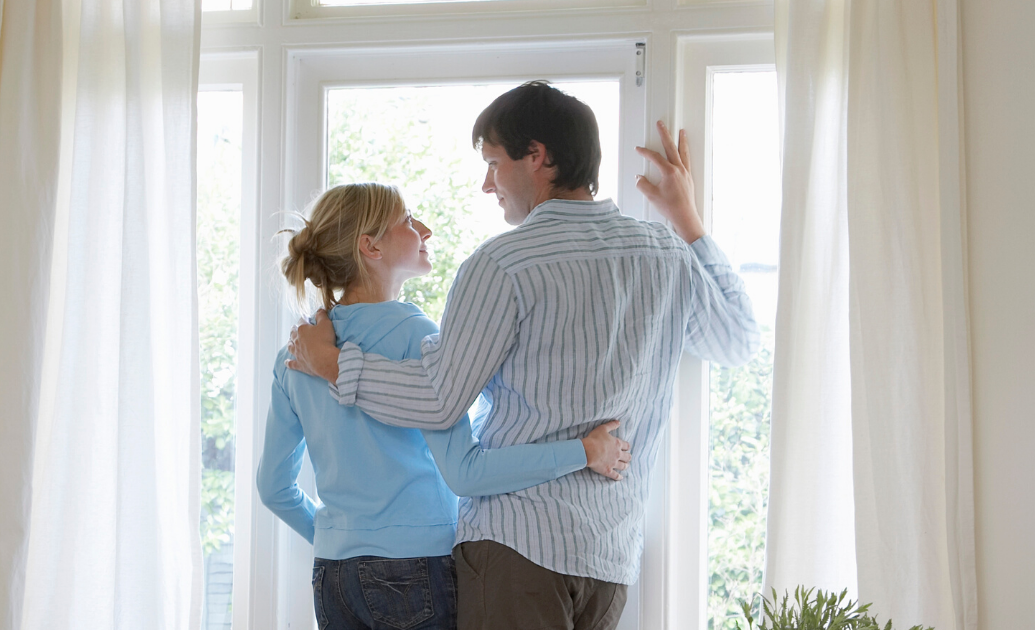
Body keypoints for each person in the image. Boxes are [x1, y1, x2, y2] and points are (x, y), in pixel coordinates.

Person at [286, 82, 760, 630]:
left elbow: (439, 401)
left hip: (515, 549)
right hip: (609, 557)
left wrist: (336, 366)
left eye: (493, 162)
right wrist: (688, 220)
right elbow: (739, 339)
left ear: (538, 157)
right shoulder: (665, 255)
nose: (487, 184)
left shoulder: (503, 263)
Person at [256, 182, 634, 630]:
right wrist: (584, 451)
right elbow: (467, 472)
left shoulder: (295, 354)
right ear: (369, 245)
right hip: (416, 570)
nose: (425, 230)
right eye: (409, 219)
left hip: (333, 575)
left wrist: (337, 538)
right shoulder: (416, 336)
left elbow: (273, 488)